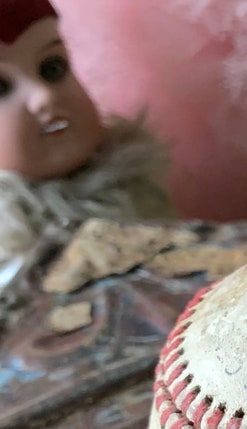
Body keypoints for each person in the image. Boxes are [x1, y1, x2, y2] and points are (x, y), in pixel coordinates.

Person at [0, 0, 173, 282]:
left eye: (52, 68)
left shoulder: (131, 187)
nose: (44, 97)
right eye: (1, 88)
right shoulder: (8, 240)